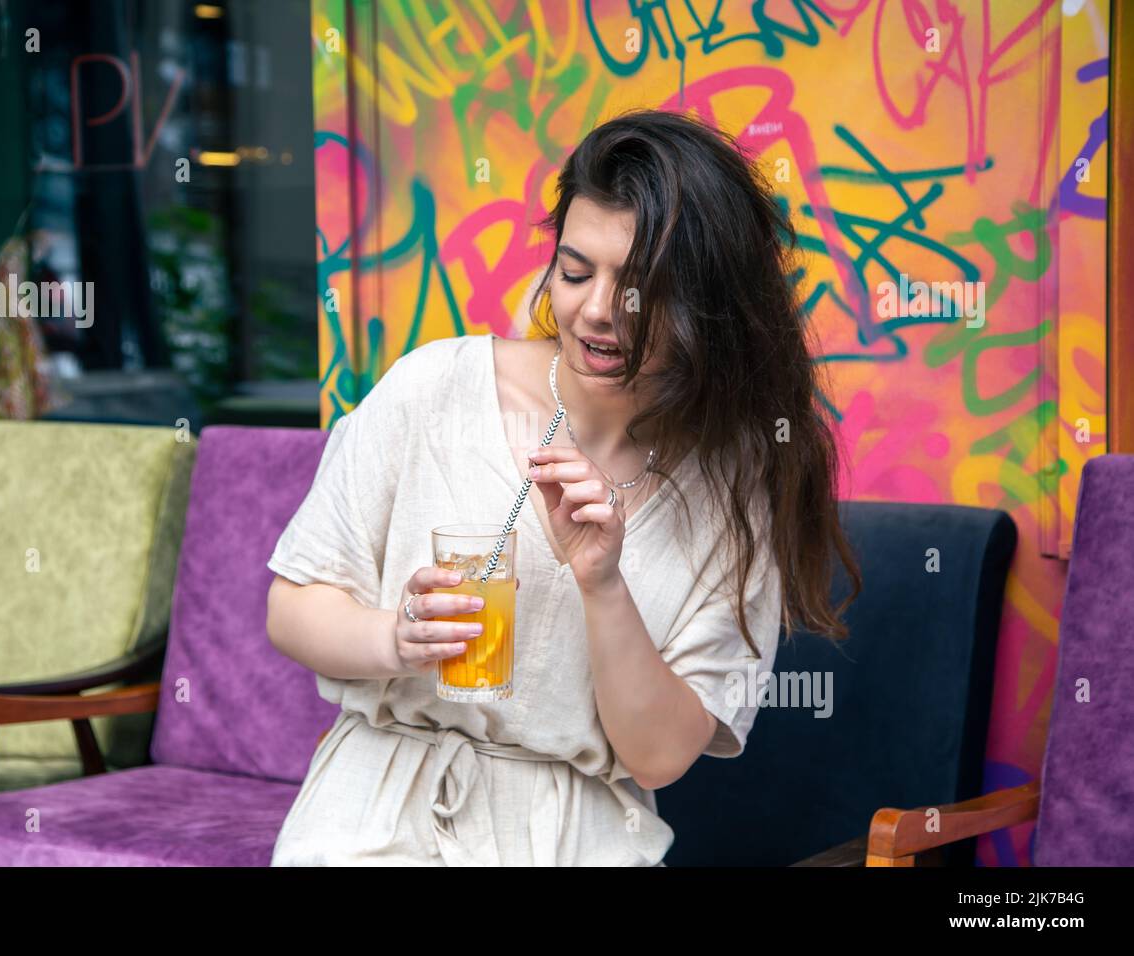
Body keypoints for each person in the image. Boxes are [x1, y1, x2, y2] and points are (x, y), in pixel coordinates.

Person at [265, 107, 862, 866]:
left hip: (572, 841)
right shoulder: (434, 388)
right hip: (372, 818)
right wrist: (393, 637)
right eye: (575, 272)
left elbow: (658, 757)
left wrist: (602, 582)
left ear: (712, 304)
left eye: (643, 289)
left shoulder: (734, 479)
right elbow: (292, 606)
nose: (598, 311)